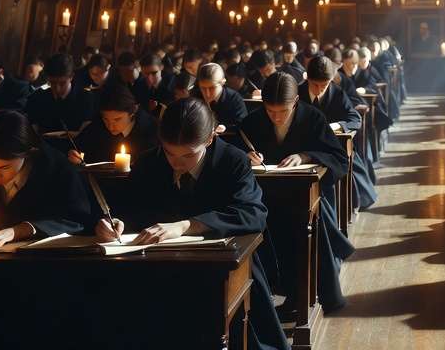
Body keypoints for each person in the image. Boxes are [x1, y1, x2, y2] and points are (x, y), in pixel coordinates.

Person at [95, 97, 288, 350]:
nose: (177, 162)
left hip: (220, 265)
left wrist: (187, 225)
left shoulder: (233, 161)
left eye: (188, 154)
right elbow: (130, 210)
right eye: (169, 152)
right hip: (155, 264)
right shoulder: (149, 162)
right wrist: (114, 223)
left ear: (209, 140)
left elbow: (253, 213)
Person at [239, 72, 354, 313]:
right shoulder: (253, 121)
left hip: (301, 197)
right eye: (271, 111)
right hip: (264, 197)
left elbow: (338, 159)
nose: (277, 118)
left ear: (296, 102)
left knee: (302, 234)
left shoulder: (313, 118)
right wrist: (246, 157)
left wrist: (306, 155)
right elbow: (235, 152)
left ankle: (300, 298)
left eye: (283, 111)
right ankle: (265, 304)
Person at [0, 110, 92, 245]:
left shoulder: (56, 169)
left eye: (4, 167)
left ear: (28, 153)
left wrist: (19, 230)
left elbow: (76, 220)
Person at [300, 56, 377, 211]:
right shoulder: (297, 92)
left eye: (324, 85)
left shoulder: (337, 93)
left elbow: (355, 119)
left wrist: (336, 126)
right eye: (315, 84)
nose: (320, 89)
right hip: (302, 145)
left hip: (331, 146)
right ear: (307, 78)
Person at [70, 84, 159, 164]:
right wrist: (74, 154)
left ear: (132, 113)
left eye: (117, 119)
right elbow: (79, 145)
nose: (110, 126)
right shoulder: (98, 124)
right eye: (106, 119)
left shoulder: (152, 130)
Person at [26, 53, 96, 137]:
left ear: (71, 77)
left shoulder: (86, 98)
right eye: (53, 83)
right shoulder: (37, 98)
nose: (57, 88)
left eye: (62, 83)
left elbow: (87, 135)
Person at [191, 63, 247, 130]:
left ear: (223, 82)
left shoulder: (234, 99)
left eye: (212, 88)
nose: (207, 94)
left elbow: (242, 124)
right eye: (203, 88)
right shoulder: (195, 98)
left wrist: (225, 127)